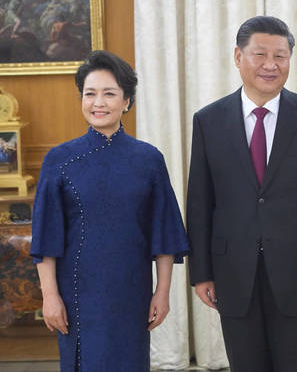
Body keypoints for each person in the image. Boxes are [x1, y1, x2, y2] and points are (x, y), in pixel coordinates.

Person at [187, 15, 297, 372]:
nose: (270, 65)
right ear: (237, 57)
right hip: (235, 273)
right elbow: (201, 203)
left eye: (280, 56)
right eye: (259, 54)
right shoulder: (209, 121)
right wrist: (201, 272)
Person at [30, 50, 189, 371]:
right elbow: (47, 236)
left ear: (126, 101)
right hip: (76, 294)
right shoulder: (59, 159)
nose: (98, 102)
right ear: (81, 99)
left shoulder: (148, 159)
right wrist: (50, 296)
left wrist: (162, 293)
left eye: (109, 94)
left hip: (131, 293)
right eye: (90, 94)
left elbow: (164, 232)